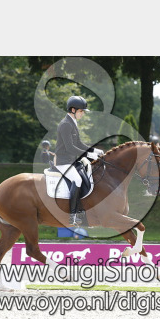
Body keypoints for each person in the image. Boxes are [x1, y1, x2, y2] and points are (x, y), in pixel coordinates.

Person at [55, 96, 104, 226]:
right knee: (77, 180)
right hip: (63, 162)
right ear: (73, 110)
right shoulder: (65, 124)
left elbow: (79, 143)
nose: (82, 114)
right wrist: (89, 155)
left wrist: (94, 150)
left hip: (72, 161)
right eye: (81, 111)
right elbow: (70, 147)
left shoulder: (72, 123)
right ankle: (73, 215)